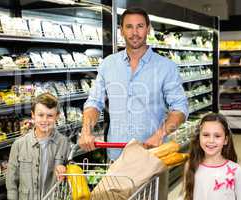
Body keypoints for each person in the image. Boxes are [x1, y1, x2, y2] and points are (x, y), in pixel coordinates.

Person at [79, 7, 188, 159]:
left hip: (153, 155)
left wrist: (159, 134)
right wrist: (86, 131)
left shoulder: (166, 67)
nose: (134, 33)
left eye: (140, 26)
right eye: (129, 27)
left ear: (148, 29)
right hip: (117, 154)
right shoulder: (108, 64)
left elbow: (180, 108)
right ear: (121, 30)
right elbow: (94, 103)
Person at [6, 93, 71, 200]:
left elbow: (71, 176)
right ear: (33, 115)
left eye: (50, 115)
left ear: (57, 117)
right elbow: (11, 183)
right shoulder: (19, 145)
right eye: (40, 115)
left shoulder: (64, 143)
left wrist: (67, 170)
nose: (45, 120)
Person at [183, 113, 241, 200]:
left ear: (225, 140)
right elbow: (185, 195)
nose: (211, 140)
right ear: (199, 138)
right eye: (206, 135)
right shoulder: (191, 165)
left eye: (217, 136)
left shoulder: (236, 170)